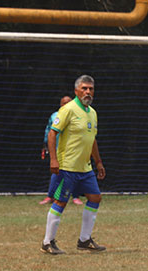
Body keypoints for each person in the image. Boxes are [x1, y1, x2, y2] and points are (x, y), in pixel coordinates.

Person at [40, 75, 107, 255]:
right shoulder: (68, 109)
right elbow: (52, 134)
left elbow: (92, 139)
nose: (88, 92)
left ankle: (84, 240)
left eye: (91, 89)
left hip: (85, 168)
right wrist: (54, 160)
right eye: (84, 88)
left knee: (95, 198)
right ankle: (47, 242)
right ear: (76, 91)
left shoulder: (92, 113)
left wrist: (98, 162)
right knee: (61, 201)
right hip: (67, 167)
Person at [39, 95, 83, 206]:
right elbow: (49, 131)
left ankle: (75, 196)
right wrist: (45, 144)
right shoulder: (55, 116)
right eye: (64, 103)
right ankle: (50, 196)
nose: (66, 105)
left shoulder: (78, 116)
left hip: (73, 150)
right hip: (58, 150)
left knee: (75, 173)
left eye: (69, 103)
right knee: (56, 173)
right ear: (60, 104)